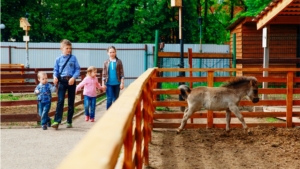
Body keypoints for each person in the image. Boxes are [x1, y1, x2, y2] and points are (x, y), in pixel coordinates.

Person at [52, 39, 80, 129]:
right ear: (61, 48)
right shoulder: (58, 59)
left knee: (71, 101)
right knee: (60, 101)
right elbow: (55, 70)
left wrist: (73, 77)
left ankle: (69, 121)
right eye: (67, 48)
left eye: (70, 48)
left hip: (71, 81)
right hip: (62, 81)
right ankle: (57, 121)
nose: (69, 50)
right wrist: (55, 77)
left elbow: (77, 69)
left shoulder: (74, 58)